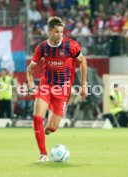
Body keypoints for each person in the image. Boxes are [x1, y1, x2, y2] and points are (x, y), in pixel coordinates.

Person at [27, 16, 87, 162]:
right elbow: (30, 68)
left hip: (63, 89)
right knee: (36, 117)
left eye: (61, 32)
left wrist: (83, 84)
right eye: (56, 32)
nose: (60, 35)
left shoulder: (70, 46)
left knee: (52, 128)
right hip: (46, 85)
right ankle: (43, 154)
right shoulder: (42, 48)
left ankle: (48, 128)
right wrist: (30, 82)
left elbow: (83, 61)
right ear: (49, 32)